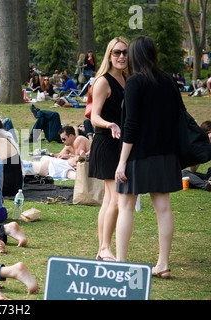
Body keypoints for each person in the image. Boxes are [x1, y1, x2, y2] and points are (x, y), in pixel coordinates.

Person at [115, 36, 183, 279]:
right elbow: (179, 116)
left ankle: (121, 263)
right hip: (166, 154)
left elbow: (131, 125)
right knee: (163, 208)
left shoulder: (134, 82)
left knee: (125, 206)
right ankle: (163, 263)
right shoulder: (169, 81)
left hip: (139, 154)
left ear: (134, 56)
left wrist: (122, 161)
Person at [88, 37, 128, 262]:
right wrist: (109, 124)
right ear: (109, 56)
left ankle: (103, 248)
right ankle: (105, 248)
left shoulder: (126, 79)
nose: (121, 56)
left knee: (109, 200)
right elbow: (94, 116)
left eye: (124, 52)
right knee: (114, 200)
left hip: (119, 144)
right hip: (106, 143)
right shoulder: (103, 81)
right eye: (117, 52)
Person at [181, 120, 211, 191]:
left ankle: (203, 184)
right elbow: (192, 170)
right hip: (208, 176)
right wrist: (198, 152)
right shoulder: (203, 146)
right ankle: (206, 185)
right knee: (184, 173)